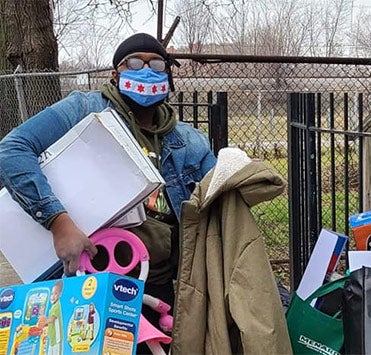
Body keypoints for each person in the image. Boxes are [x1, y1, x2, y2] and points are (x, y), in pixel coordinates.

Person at [0, 33, 216, 353]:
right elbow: (12, 151)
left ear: (168, 75)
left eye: (156, 64)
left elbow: (214, 201)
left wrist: (237, 173)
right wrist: (59, 223)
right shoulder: (83, 110)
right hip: (89, 281)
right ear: (116, 73)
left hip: (158, 286)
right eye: (134, 63)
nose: (146, 70)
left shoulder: (190, 141)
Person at [40, 280, 64, 355]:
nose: (53, 296)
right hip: (52, 338)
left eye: (55, 294)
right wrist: (43, 321)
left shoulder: (57, 305)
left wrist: (43, 320)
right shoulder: (52, 307)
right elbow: (50, 322)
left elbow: (51, 319)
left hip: (57, 338)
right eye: (52, 294)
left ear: (60, 294)